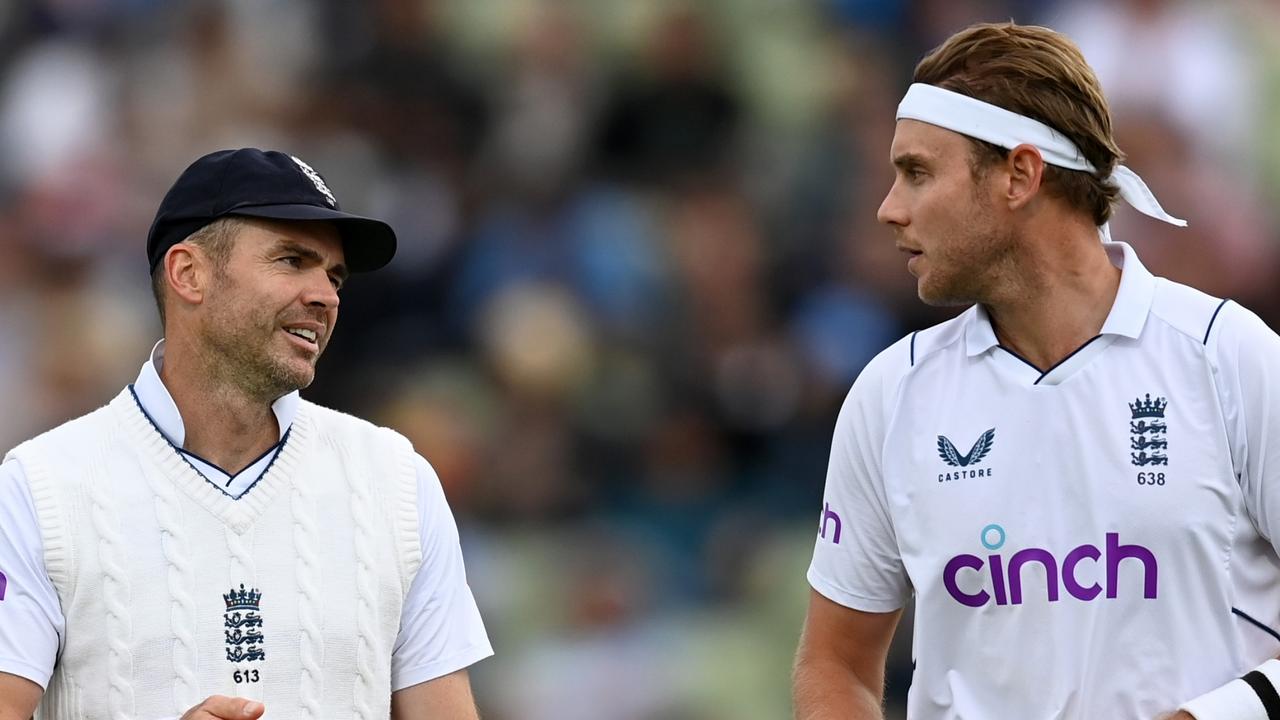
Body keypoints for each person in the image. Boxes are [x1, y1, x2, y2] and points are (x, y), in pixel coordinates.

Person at [792, 22, 1280, 720]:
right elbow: (836, 663)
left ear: (1019, 175)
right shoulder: (890, 394)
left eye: (918, 173)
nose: (889, 208)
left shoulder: (1229, 357)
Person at [0, 149, 493, 719]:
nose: (327, 295)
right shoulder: (39, 487)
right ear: (189, 273)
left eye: (334, 276)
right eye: (292, 260)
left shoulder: (398, 481)